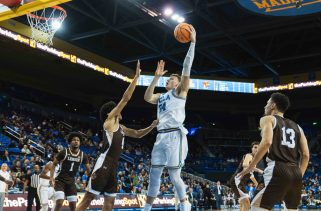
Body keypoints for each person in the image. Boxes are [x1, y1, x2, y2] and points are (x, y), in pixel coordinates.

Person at [75, 61, 158, 211]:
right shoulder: (109, 123)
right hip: (103, 164)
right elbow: (125, 98)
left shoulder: (121, 128)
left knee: (110, 203)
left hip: (113, 167)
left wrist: (151, 126)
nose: (120, 109)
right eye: (115, 109)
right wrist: (136, 78)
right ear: (110, 113)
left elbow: (138, 134)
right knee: (88, 198)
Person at [143, 26, 196, 211]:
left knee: (174, 176)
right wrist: (156, 78)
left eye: (171, 79)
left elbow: (187, 66)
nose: (169, 81)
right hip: (161, 136)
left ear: (178, 82)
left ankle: (184, 203)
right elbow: (147, 97)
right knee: (154, 174)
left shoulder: (180, 91)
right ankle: (147, 208)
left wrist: (193, 43)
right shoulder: (161, 96)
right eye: (168, 80)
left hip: (175, 135)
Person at [238, 92, 310, 210]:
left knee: (256, 205)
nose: (265, 106)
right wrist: (299, 175)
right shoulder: (298, 127)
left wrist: (252, 166)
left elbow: (267, 142)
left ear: (273, 105)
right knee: (291, 208)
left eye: (267, 103)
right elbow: (306, 155)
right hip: (296, 171)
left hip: (277, 168)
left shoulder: (268, 119)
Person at [50, 132, 91, 211]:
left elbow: (88, 169)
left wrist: (90, 180)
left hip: (71, 182)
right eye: (74, 140)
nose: (76, 141)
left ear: (80, 143)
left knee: (73, 206)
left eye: (78, 140)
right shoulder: (64, 152)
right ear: (70, 142)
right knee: (59, 202)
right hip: (60, 181)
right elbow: (53, 165)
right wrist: (51, 177)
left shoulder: (83, 155)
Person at [230, 142, 263, 211]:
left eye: (258, 147)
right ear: (251, 149)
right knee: (247, 203)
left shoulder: (254, 160)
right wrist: (258, 170)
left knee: (243, 203)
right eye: (255, 147)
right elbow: (245, 165)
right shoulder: (249, 155)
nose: (257, 149)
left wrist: (257, 184)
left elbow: (251, 175)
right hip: (237, 181)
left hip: (240, 182)